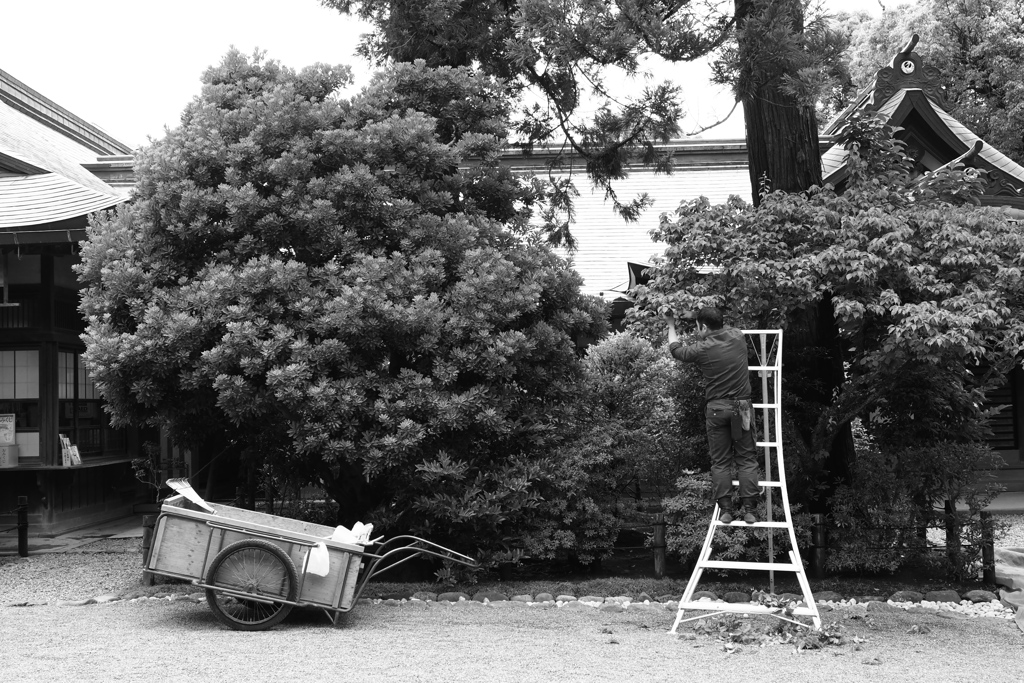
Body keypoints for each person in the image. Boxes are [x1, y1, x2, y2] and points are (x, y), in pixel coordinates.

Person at [666, 307, 759, 524]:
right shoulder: (738, 336)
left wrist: (671, 324)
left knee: (720, 462)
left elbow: (676, 349)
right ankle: (750, 510)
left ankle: (726, 509)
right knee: (746, 459)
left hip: (717, 409)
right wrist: (697, 317)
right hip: (741, 408)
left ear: (704, 327)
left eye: (698, 326)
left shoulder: (701, 348)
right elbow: (717, 325)